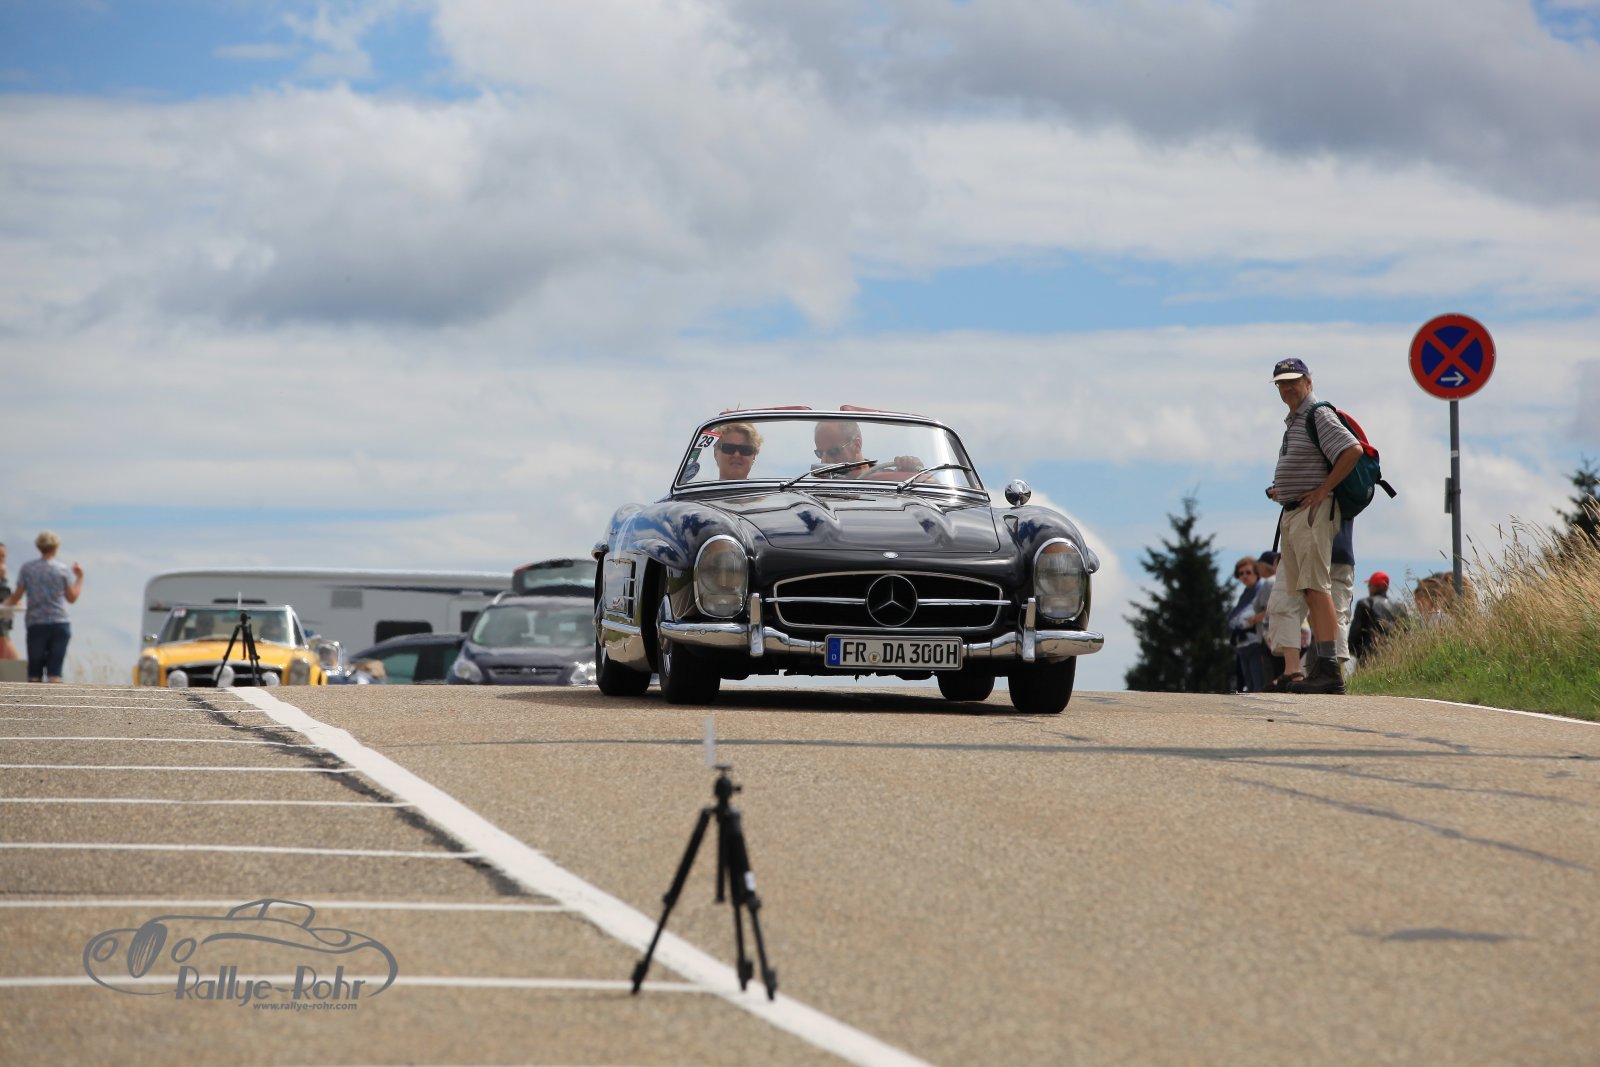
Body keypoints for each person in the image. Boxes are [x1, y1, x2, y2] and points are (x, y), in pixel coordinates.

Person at [1264, 358, 1362, 695]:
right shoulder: (1296, 420)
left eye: (1293, 381)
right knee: (1309, 589)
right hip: (1296, 512)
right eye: (1281, 383)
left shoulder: (1317, 413)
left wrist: (1322, 490)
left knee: (1317, 588)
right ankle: (1323, 668)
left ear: (1308, 381)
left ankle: (1329, 669)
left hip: (1312, 513)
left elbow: (1351, 450)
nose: (1287, 388)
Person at [3, 531, 85, 683]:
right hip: (60, 622)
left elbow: (16, 597)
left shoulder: (28, 568)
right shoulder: (62, 569)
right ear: (56, 547)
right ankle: (54, 697)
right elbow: (72, 597)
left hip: (36, 622)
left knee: (34, 673)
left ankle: (34, 698)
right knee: (55, 672)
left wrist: (3, 605)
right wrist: (80, 577)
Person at [812, 420, 920, 478]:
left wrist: (914, 472)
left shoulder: (889, 480)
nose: (824, 461)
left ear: (856, 445)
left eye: (833, 452)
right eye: (819, 453)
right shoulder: (818, 488)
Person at [1227, 555, 1267, 691]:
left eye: (1248, 572)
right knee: (1249, 684)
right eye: (1241, 573)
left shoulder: (1262, 589)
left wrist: (1253, 619)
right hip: (1242, 644)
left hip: (1256, 643)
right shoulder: (1245, 593)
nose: (1244, 576)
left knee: (1258, 683)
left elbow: (1268, 611)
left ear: (1257, 573)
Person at [1349, 571, 1409, 660]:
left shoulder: (1365, 603)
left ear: (1373, 587)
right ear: (1386, 587)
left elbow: (1355, 633)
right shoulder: (1400, 606)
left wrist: (1355, 652)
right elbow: (1407, 633)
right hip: (1396, 657)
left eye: (1369, 585)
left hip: (1370, 656)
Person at [0, 542, 17, 661]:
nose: (1, 559)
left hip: (4, 626)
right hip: (1, 630)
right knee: (15, 664)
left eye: (3, 556)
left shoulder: (3, 579)